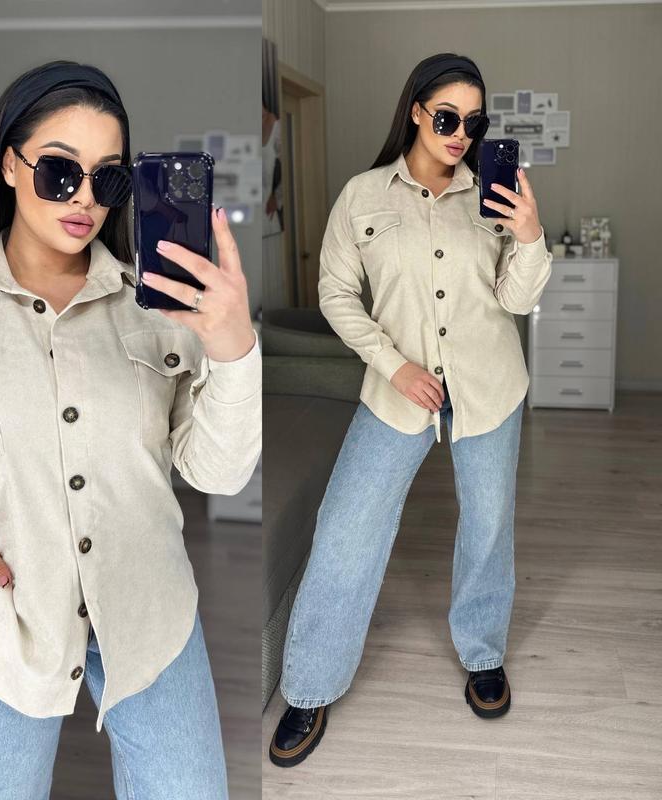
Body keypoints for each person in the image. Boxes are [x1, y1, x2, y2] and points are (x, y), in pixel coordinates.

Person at [0, 60, 261, 799]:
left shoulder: (163, 311)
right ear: (10, 165)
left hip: (151, 608)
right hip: (4, 620)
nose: (84, 198)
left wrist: (235, 347)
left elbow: (220, 474)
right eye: (59, 171)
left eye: (107, 179)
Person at [269, 52, 552, 768]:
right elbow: (336, 294)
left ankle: (483, 654)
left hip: (489, 384)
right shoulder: (362, 197)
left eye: (474, 123)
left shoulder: (493, 197)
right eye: (448, 117)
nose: (461, 134)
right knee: (346, 528)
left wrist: (529, 235)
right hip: (396, 391)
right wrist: (393, 364)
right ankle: (310, 685)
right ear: (417, 111)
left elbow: (517, 300)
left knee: (488, 524)